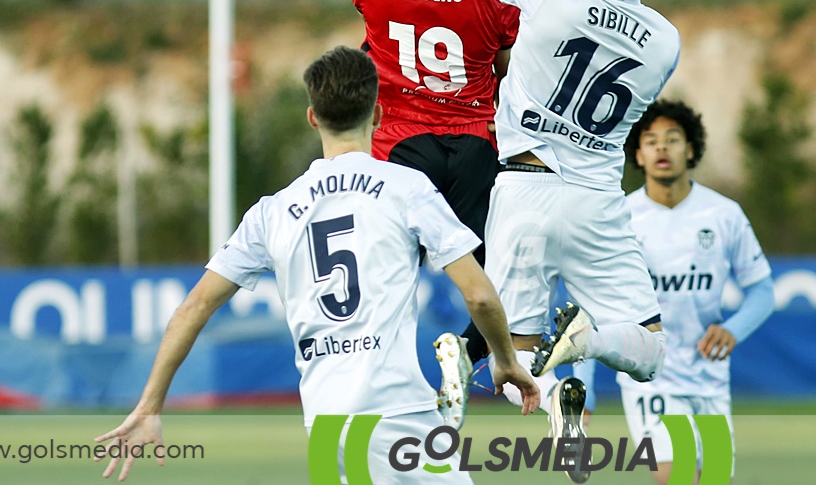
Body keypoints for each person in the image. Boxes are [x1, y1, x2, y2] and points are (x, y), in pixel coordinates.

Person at [94, 47, 538, 483]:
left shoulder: (272, 210)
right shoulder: (407, 189)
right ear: (379, 115)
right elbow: (478, 294)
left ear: (312, 117)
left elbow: (191, 310)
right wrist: (504, 358)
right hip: (397, 415)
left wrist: (149, 406)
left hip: (325, 428)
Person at [457, 0, 679, 480]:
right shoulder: (665, 42)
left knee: (516, 364)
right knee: (651, 353)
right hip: (597, 202)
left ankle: (556, 398)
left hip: (524, 192)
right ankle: (587, 344)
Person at [350, 0, 519, 429]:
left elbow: (376, 27)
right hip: (474, 144)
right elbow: (503, 62)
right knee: (490, 277)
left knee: (388, 282)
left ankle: (382, 391)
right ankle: (470, 357)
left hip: (399, 148)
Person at [621, 100, 774, 484]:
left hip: (709, 378)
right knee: (679, 477)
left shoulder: (723, 214)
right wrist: (586, 392)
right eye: (651, 140)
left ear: (690, 149)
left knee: (716, 478)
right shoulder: (619, 219)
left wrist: (733, 329)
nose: (662, 148)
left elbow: (763, 291)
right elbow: (594, 310)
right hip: (651, 379)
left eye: (673, 139)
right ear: (637, 153)